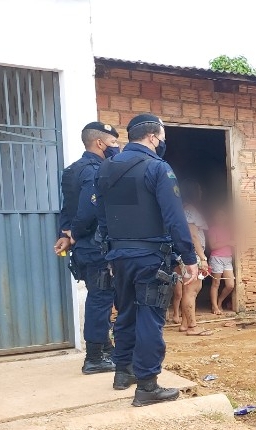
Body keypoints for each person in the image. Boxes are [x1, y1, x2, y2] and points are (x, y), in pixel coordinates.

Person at [96, 114, 198, 406]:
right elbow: (174, 217)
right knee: (150, 319)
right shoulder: (156, 168)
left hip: (119, 256)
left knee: (126, 313)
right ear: (153, 137)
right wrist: (189, 257)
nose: (163, 141)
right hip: (150, 257)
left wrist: (111, 250)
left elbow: (102, 216)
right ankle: (148, 386)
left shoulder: (107, 168)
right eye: (163, 136)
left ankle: (122, 372)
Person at [53, 122, 121, 374]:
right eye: (113, 143)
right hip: (94, 244)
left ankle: (105, 348)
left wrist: (65, 233)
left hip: (84, 246)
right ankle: (94, 357)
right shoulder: (95, 170)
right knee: (101, 297)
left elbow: (66, 208)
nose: (117, 148)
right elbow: (87, 210)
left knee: (99, 295)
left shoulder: (72, 169)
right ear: (100, 143)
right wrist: (75, 233)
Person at [171, 180, 210, 334]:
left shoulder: (183, 209)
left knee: (190, 288)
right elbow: (193, 236)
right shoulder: (190, 210)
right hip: (193, 255)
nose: (201, 193)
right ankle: (192, 327)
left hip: (187, 254)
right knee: (192, 290)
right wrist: (202, 257)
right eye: (199, 190)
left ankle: (185, 325)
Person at [207, 207, 236, 315]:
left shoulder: (229, 229)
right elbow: (213, 245)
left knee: (230, 285)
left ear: (226, 217)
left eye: (222, 215)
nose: (220, 217)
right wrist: (228, 242)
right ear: (214, 218)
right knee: (216, 283)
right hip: (216, 258)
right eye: (218, 215)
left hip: (227, 258)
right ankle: (214, 307)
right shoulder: (213, 229)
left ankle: (219, 302)